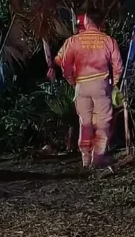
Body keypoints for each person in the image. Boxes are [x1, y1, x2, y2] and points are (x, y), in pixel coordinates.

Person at [52, 9, 124, 169]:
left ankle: (85, 160)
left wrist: (72, 80)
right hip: (101, 86)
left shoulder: (73, 41)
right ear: (100, 24)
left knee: (85, 123)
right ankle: (97, 159)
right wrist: (113, 84)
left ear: (85, 22)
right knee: (102, 123)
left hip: (81, 86)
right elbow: (118, 67)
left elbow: (61, 62)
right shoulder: (108, 40)